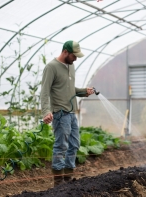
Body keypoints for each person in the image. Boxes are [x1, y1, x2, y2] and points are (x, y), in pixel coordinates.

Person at [40, 40, 95, 187]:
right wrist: (46, 111)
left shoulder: (71, 66)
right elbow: (44, 92)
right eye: (74, 55)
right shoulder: (51, 67)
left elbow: (70, 89)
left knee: (75, 144)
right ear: (65, 52)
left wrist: (84, 91)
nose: (76, 58)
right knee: (61, 146)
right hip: (60, 113)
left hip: (71, 113)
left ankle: (68, 179)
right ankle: (58, 182)